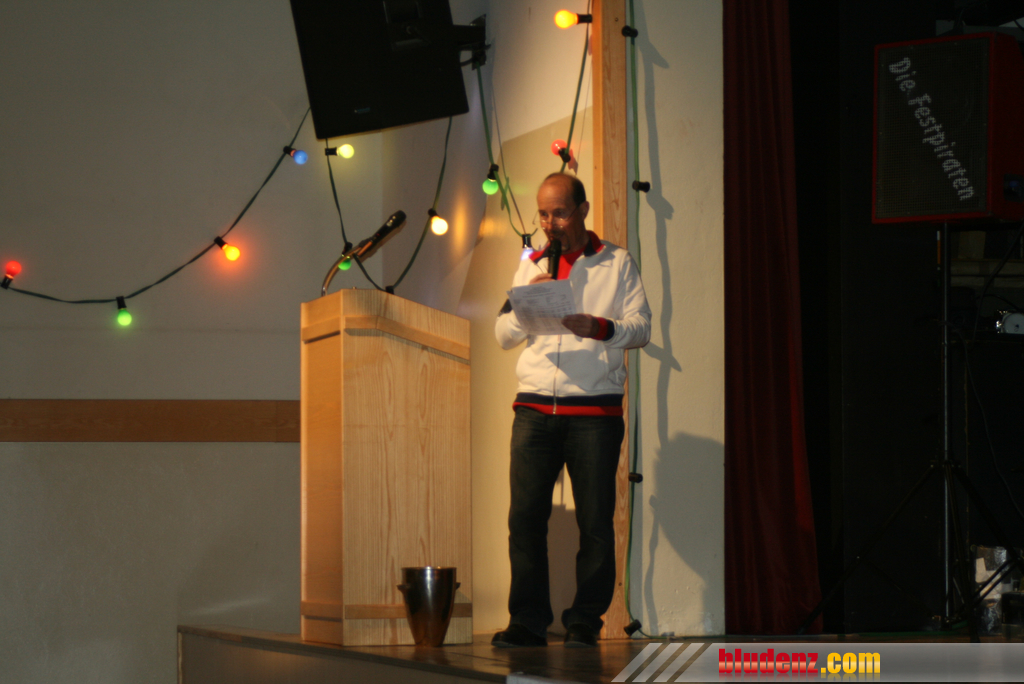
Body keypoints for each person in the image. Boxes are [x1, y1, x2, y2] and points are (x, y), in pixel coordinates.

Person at [492, 173, 651, 648]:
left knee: (595, 523)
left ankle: (585, 620)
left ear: (582, 210)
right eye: (543, 213)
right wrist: (527, 304)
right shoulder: (530, 263)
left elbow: (641, 327)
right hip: (534, 409)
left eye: (559, 212)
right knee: (524, 519)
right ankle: (527, 620)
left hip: (594, 412)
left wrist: (599, 327)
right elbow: (502, 335)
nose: (549, 223)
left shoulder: (616, 262)